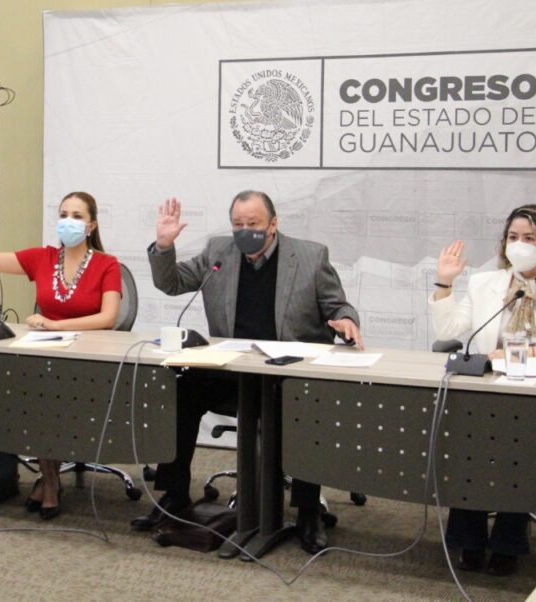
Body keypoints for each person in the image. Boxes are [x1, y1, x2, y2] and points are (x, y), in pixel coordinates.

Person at [132, 192, 363, 554]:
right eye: (238, 225)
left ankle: (307, 512)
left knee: (308, 404)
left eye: (253, 224)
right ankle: (174, 494)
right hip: (233, 372)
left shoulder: (310, 257)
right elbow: (171, 283)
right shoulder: (218, 252)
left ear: (273, 224)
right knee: (182, 389)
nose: (245, 232)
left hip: (288, 373)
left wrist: (346, 320)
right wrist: (164, 246)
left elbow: (338, 306)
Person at [430, 203, 536, 575]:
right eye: (512, 237)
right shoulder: (485, 283)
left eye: (529, 238)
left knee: (519, 447)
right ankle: (469, 539)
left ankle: (508, 541)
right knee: (468, 444)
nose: (519, 244)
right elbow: (448, 331)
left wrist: (526, 353)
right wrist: (444, 283)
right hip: (487, 391)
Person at [0, 169, 122, 519]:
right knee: (35, 394)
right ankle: (50, 478)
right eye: (63, 214)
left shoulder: (107, 264)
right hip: (45, 354)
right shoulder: (43, 258)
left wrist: (55, 324)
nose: (68, 221)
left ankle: (49, 480)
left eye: (77, 216)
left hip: (89, 358)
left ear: (91, 226)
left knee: (50, 395)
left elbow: (108, 317)